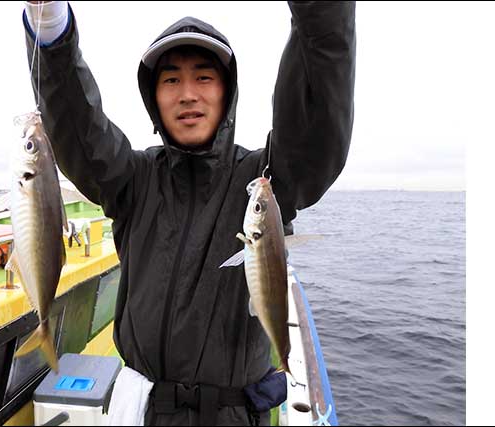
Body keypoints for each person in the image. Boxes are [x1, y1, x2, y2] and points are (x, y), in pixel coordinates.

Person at [22, 2, 355, 425]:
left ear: (226, 90)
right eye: (171, 80)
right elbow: (78, 126)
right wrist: (50, 29)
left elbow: (316, 128)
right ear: (153, 96)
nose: (187, 94)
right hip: (141, 411)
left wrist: (320, 12)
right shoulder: (132, 177)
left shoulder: (264, 180)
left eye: (204, 76)